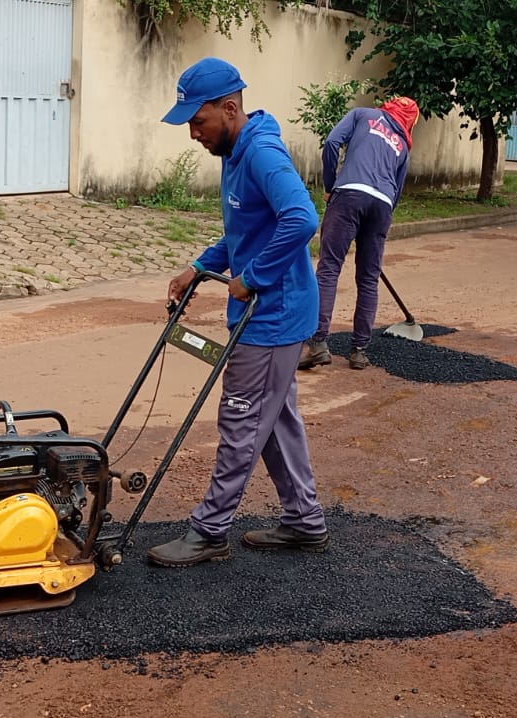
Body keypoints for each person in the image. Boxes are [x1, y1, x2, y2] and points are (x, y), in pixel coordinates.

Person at [149, 57, 329, 567]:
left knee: (241, 419)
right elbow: (245, 233)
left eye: (198, 121)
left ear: (230, 109)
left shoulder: (262, 155)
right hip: (272, 313)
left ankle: (210, 531)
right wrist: (198, 267)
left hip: (274, 316)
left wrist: (252, 279)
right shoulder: (234, 151)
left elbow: (301, 218)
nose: (192, 134)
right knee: (273, 420)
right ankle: (304, 522)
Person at [298, 96, 419, 371]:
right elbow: (397, 192)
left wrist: (330, 184)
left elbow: (331, 143)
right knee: (368, 279)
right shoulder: (402, 145)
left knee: (329, 268)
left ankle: (317, 344)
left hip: (349, 193)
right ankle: (359, 351)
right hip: (382, 206)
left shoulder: (362, 115)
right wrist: (380, 218)